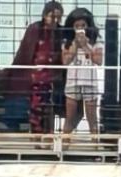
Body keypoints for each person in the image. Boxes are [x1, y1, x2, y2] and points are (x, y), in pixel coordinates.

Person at [9, 2, 64, 135]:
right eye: (52, 17)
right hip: (35, 76)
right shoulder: (35, 29)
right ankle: (36, 135)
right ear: (45, 15)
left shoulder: (60, 32)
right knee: (36, 107)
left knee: (48, 107)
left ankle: (48, 135)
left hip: (52, 77)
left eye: (58, 18)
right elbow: (25, 52)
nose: (55, 21)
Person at [60, 7, 102, 137]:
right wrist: (75, 46)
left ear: (88, 25)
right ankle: (64, 146)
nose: (80, 28)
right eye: (76, 26)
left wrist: (85, 46)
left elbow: (99, 60)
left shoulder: (96, 40)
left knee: (92, 119)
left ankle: (95, 148)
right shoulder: (67, 42)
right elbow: (65, 61)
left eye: (83, 25)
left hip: (90, 82)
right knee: (69, 117)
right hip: (72, 82)